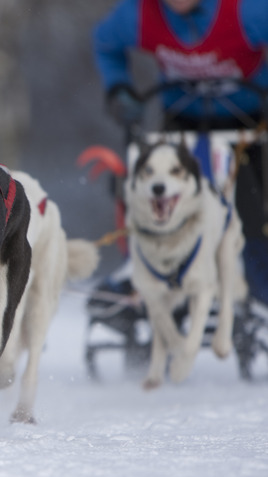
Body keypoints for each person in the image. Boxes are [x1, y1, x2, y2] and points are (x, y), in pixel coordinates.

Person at [92, 0, 268, 307]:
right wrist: (118, 87)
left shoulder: (247, 10)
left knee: (252, 202)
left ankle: (258, 278)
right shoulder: (138, 15)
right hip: (179, 121)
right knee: (162, 197)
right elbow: (105, 42)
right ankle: (150, 274)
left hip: (249, 121)